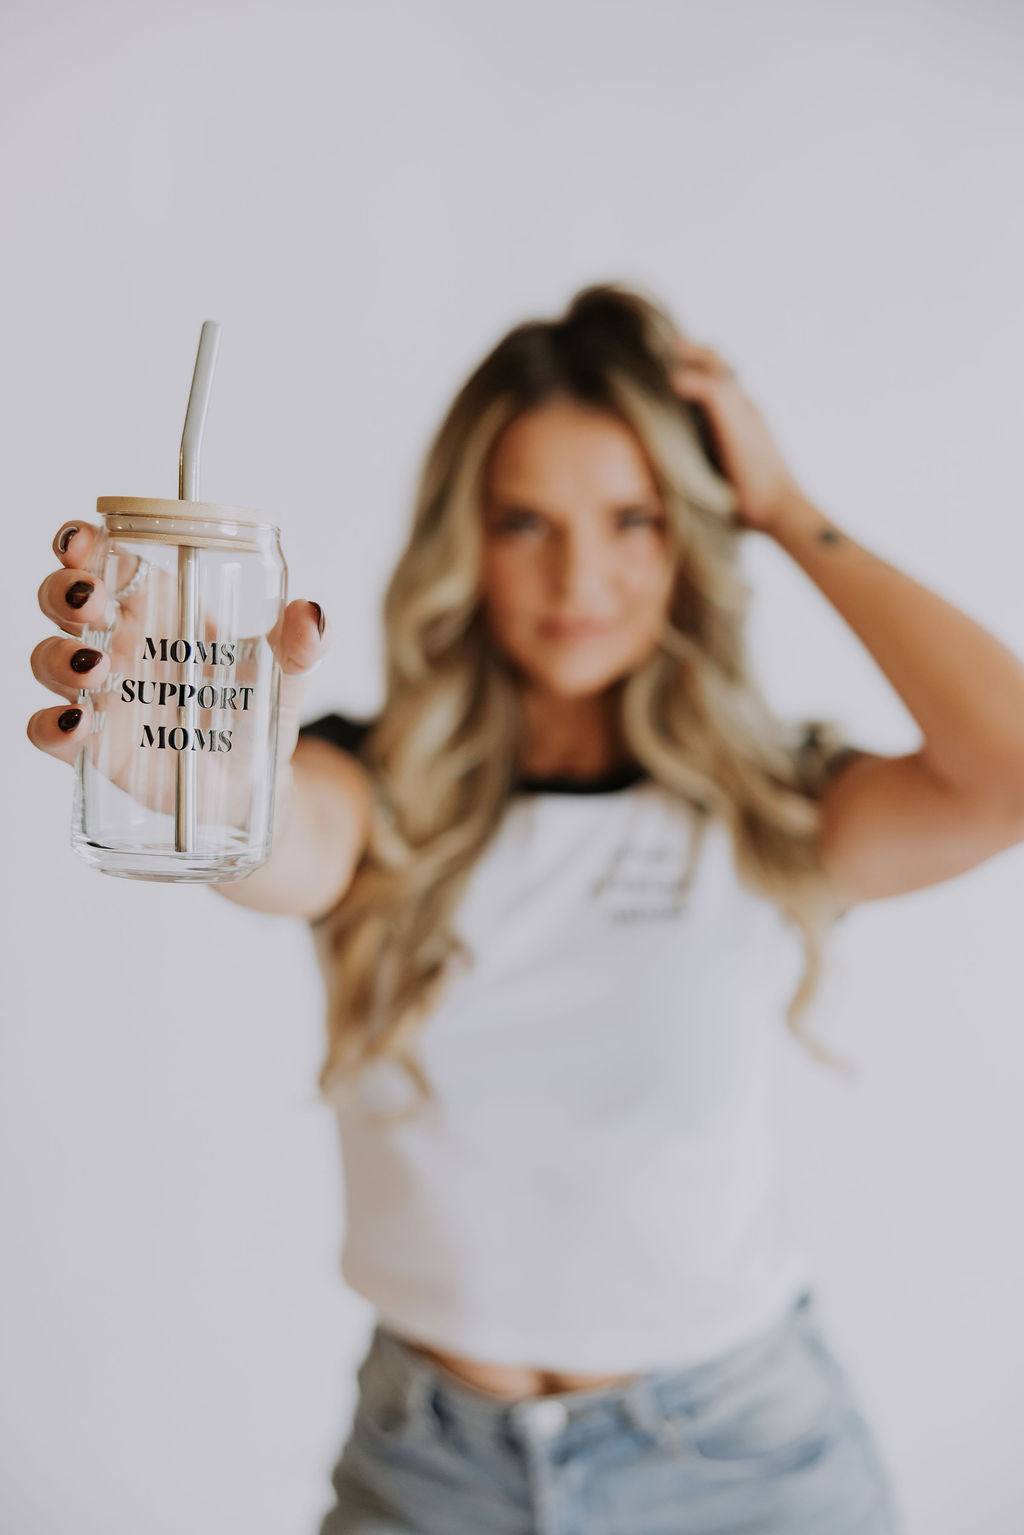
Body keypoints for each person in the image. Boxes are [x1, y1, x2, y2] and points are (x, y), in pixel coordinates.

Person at [30, 284, 1024, 1533]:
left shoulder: (771, 806)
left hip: (742, 1463)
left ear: (687, 536)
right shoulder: (373, 783)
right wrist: (195, 778)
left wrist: (785, 507)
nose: (581, 575)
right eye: (525, 522)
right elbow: (279, 832)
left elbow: (1010, 773)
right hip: (427, 1467)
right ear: (466, 536)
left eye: (632, 519)